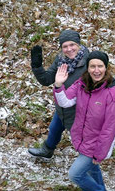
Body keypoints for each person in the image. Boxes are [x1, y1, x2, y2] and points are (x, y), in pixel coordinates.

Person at [54, 51, 115, 191]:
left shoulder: (112, 94)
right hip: (82, 138)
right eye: (93, 66)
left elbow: (109, 129)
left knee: (75, 174)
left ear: (106, 68)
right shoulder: (82, 84)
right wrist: (58, 85)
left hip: (97, 144)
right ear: (88, 68)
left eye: (100, 66)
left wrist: (99, 154)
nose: (96, 70)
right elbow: (65, 102)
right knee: (92, 169)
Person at [28, 29, 89, 161]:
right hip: (62, 105)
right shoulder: (61, 60)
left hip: (80, 111)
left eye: (72, 45)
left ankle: (87, 165)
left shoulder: (89, 62)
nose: (69, 49)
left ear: (78, 44)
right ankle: (47, 150)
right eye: (65, 46)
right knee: (55, 128)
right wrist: (37, 66)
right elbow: (47, 80)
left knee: (81, 140)